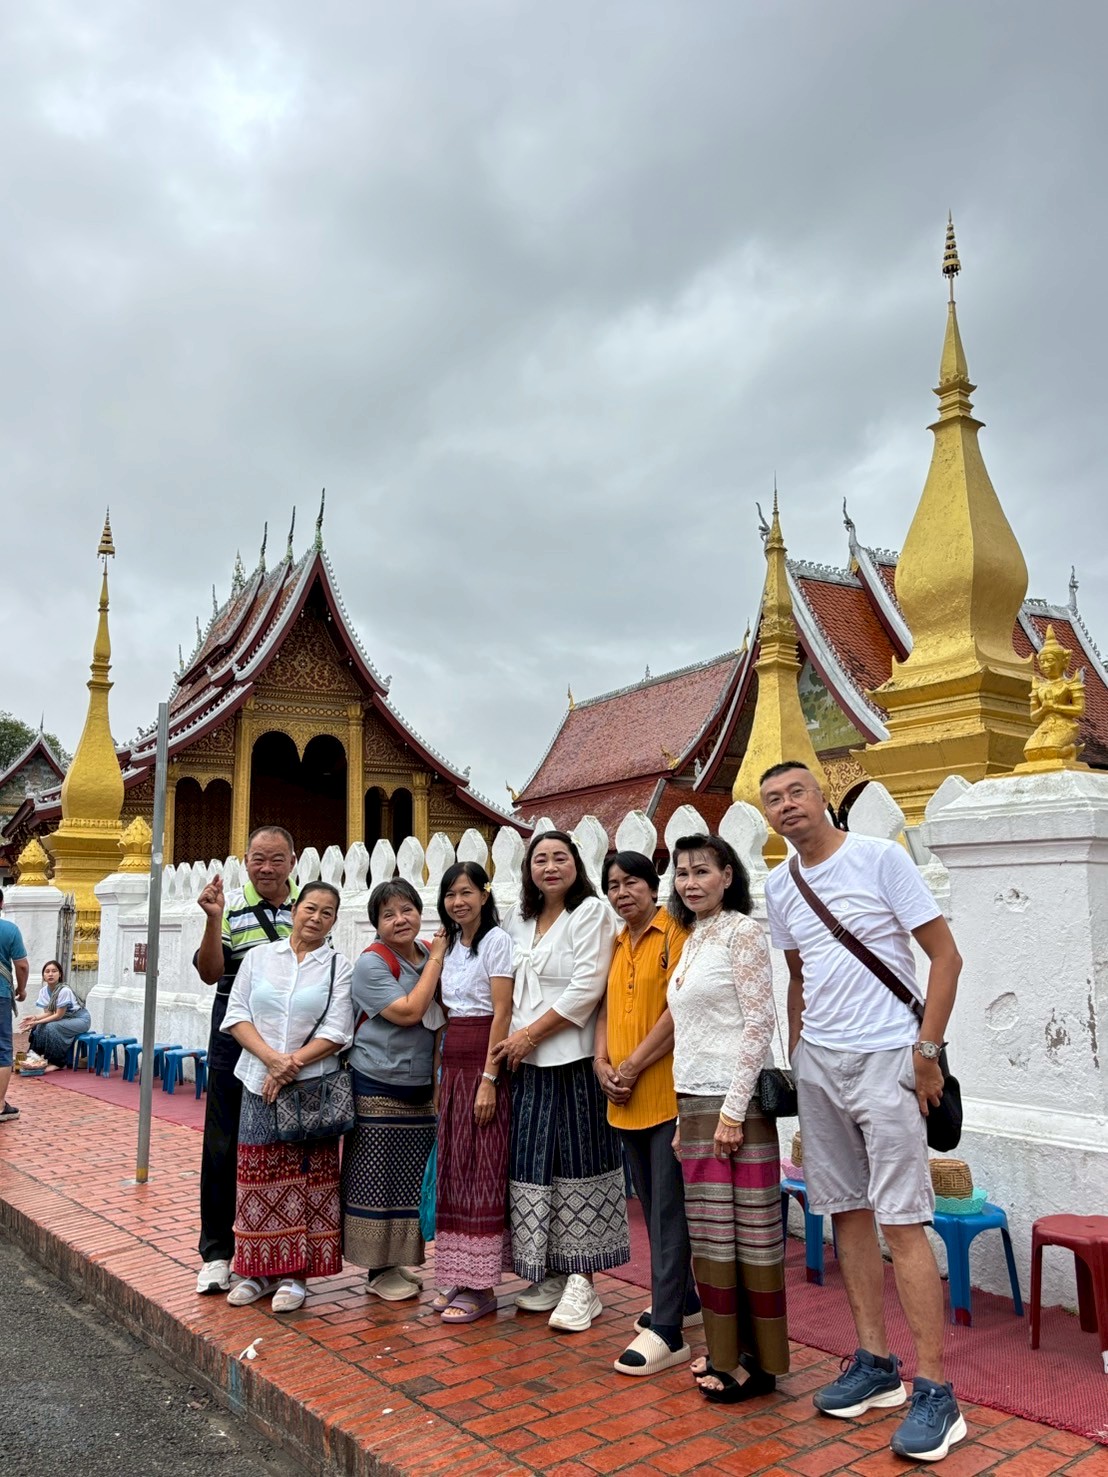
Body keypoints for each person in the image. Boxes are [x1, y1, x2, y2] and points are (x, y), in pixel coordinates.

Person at [760, 761, 964, 1463]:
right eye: (773, 800)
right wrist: (798, 1053)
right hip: (820, 1062)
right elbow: (798, 975)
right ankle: (875, 1362)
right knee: (845, 1211)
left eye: (797, 792)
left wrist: (926, 1051)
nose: (787, 806)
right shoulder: (780, 884)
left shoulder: (880, 858)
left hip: (888, 1056)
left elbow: (946, 957)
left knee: (901, 1220)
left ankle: (935, 1389)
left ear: (821, 797)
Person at [667, 833, 789, 1404]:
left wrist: (734, 1111)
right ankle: (724, 1351)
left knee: (751, 1238)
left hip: (734, 1108)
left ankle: (758, 1365)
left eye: (702, 872)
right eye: (682, 873)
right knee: (712, 1239)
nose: (691, 883)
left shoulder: (743, 932)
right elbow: (692, 1032)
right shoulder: (693, 936)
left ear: (727, 876)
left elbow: (759, 1023)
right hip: (695, 1104)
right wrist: (681, 1116)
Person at [491, 830, 627, 1334]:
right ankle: (548, 1270)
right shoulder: (518, 918)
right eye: (540, 859)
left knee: (579, 1164)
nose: (550, 867)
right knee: (532, 1166)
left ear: (576, 864)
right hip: (525, 1064)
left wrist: (528, 1035)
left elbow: (586, 988)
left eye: (560, 858)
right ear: (528, 869)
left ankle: (582, 1281)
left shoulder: (590, 913)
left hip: (571, 1059)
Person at [220, 880, 352, 1313]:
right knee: (257, 1175)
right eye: (310, 908)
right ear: (294, 910)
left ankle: (296, 1275)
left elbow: (338, 1030)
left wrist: (289, 1065)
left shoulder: (338, 966)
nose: (316, 918)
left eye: (327, 913)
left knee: (307, 1178)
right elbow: (236, 1014)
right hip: (257, 1081)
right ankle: (257, 1269)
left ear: (334, 921)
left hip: (312, 1087)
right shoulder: (259, 958)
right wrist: (272, 1061)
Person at [595, 850, 699, 1376]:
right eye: (613, 885)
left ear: (654, 885)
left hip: (664, 1094)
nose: (622, 893)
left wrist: (632, 1065)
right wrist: (601, 1062)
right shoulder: (617, 943)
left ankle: (668, 1330)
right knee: (653, 1202)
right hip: (623, 1097)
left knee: (667, 1211)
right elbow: (605, 1009)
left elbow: (680, 1012)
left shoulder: (676, 933)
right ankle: (685, 1299)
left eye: (631, 882)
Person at [193, 825, 299, 1295]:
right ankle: (217, 1252)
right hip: (233, 1041)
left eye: (276, 859)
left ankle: (278, 1252)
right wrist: (214, 919)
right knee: (222, 1146)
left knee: (283, 1149)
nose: (267, 868)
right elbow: (210, 972)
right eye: (258, 859)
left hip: (287, 1047)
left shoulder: (306, 908)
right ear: (245, 861)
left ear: (293, 861)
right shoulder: (230, 907)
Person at [341, 878, 445, 1302]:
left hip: (420, 1085)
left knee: (408, 1181)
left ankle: (397, 1261)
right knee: (376, 1178)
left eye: (407, 910)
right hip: (377, 1083)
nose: (400, 920)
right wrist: (437, 960)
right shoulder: (373, 963)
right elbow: (408, 1012)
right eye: (388, 915)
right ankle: (377, 1270)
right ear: (376, 924)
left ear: (419, 912)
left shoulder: (426, 952)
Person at [431, 862, 514, 1324]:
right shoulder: (449, 946)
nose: (458, 902)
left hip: (484, 1058)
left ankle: (481, 1286)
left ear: (484, 894)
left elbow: (502, 1013)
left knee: (483, 1166)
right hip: (454, 1059)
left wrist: (489, 1078)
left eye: (466, 892)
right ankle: (458, 1274)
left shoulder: (496, 942)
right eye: (450, 895)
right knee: (454, 1166)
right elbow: (445, 1014)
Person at [21, 960, 91, 1068]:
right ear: (43, 976)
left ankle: (56, 1063)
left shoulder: (64, 990)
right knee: (40, 1027)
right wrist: (34, 1018)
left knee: (51, 1027)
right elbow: (49, 1013)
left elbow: (58, 1015)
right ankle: (34, 1057)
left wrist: (36, 1022)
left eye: (54, 971)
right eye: (47, 971)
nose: (50, 974)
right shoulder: (44, 991)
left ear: (60, 974)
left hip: (80, 1019)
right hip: (64, 1019)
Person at [0, 890, 29, 1124]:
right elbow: (22, 966)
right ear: (1, 903)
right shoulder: (9, 930)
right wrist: (21, 989)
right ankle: (0, 1105)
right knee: (2, 1049)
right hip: (0, 994)